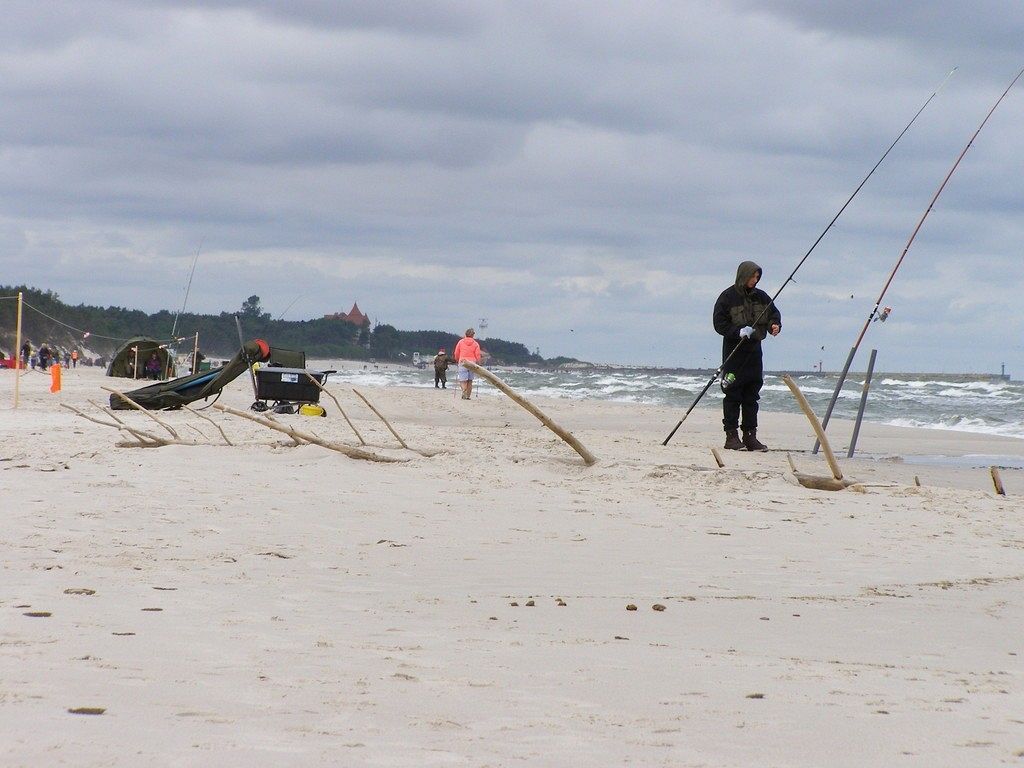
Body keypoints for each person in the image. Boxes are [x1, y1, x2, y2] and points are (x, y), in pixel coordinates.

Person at [713, 260, 781, 452]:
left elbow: (773, 314)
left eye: (757, 277)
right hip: (734, 352)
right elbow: (719, 323)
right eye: (752, 276)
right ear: (743, 275)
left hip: (754, 353)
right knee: (732, 393)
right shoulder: (727, 297)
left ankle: (750, 436)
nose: (755, 280)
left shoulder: (762, 297)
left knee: (752, 395)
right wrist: (737, 331)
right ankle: (731, 436)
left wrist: (775, 325)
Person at [452, 328, 482, 400]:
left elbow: (456, 352)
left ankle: (464, 390)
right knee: (470, 380)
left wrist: (457, 359)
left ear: (465, 334)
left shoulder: (460, 342)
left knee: (463, 380)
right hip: (472, 363)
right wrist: (479, 363)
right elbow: (477, 354)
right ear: (473, 335)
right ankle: (468, 396)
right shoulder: (475, 343)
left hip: (463, 361)